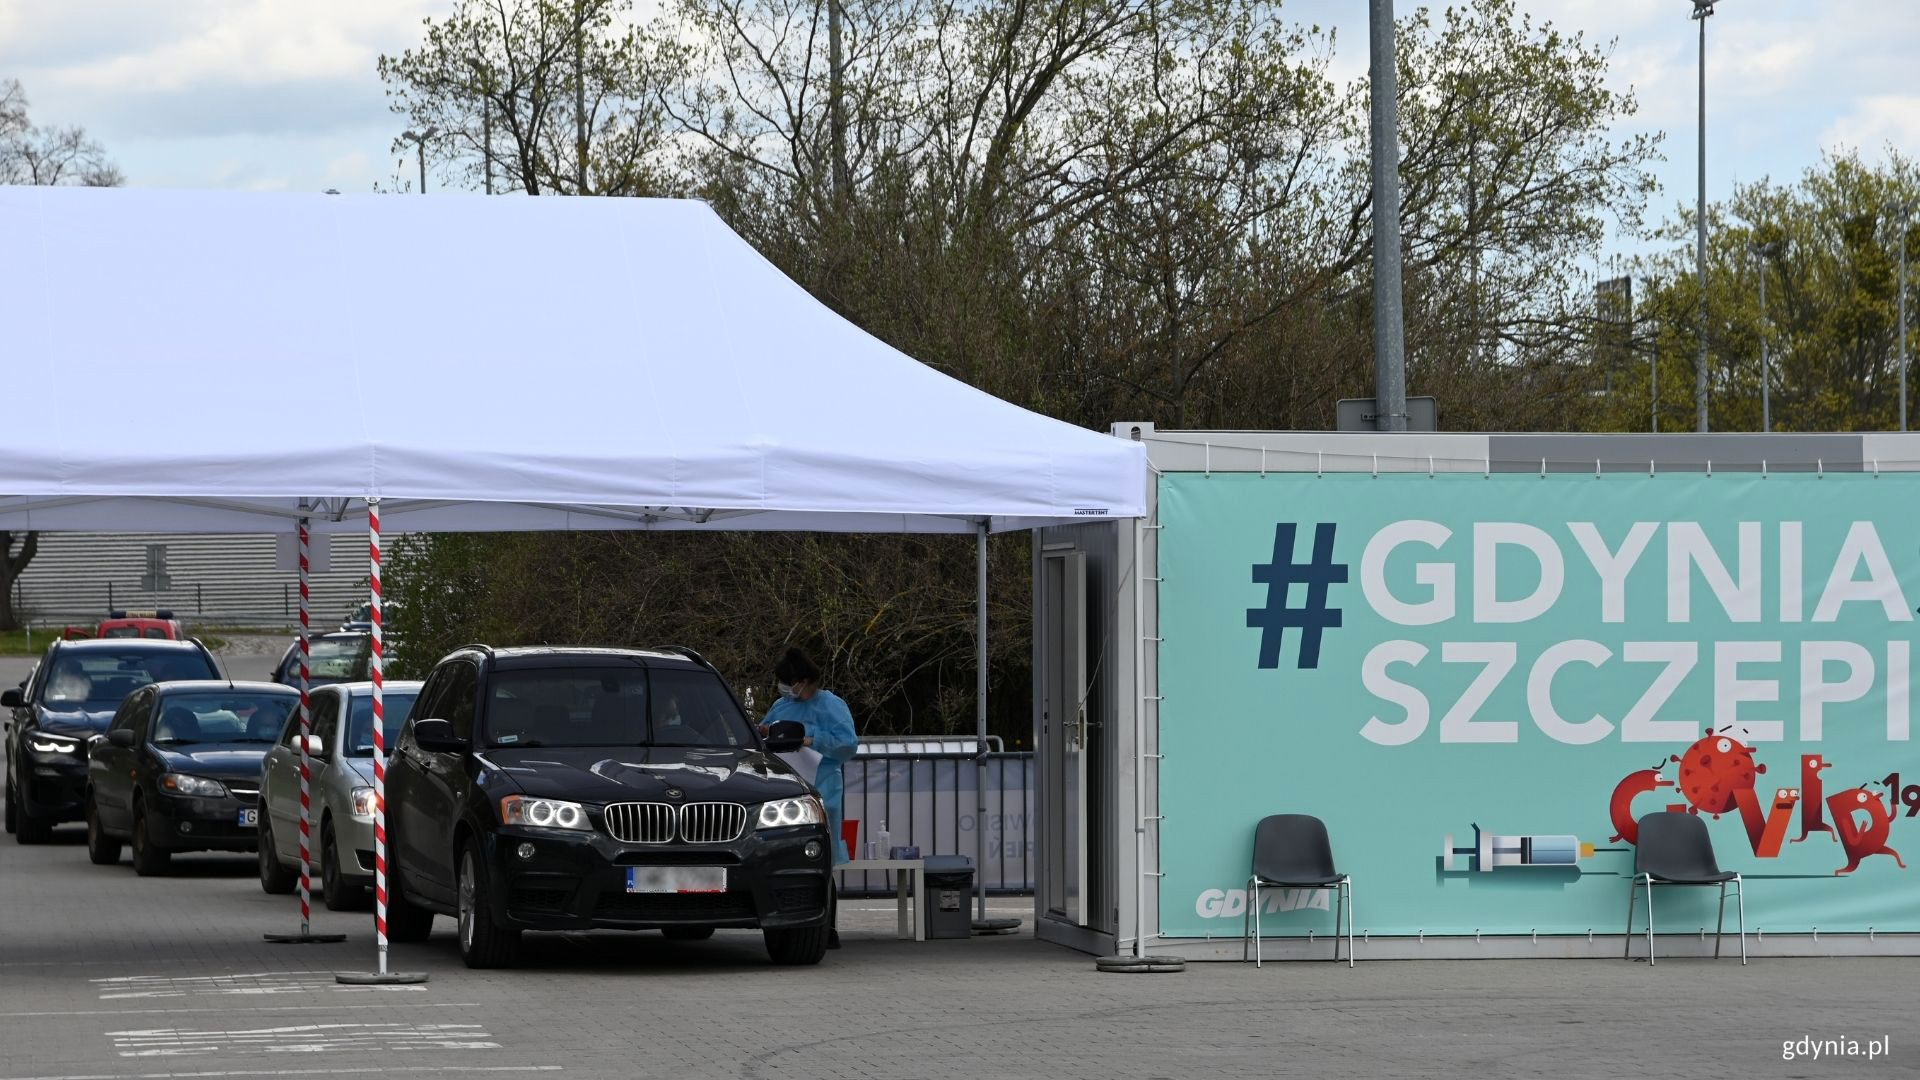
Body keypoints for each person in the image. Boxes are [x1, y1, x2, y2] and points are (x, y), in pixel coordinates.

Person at [759, 647, 857, 948]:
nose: (785, 689)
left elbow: (848, 744)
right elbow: (764, 731)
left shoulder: (831, 705)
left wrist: (812, 739)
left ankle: (828, 927)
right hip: (787, 789)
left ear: (802, 681)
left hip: (822, 787)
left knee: (821, 860)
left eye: (789, 683)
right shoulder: (781, 705)